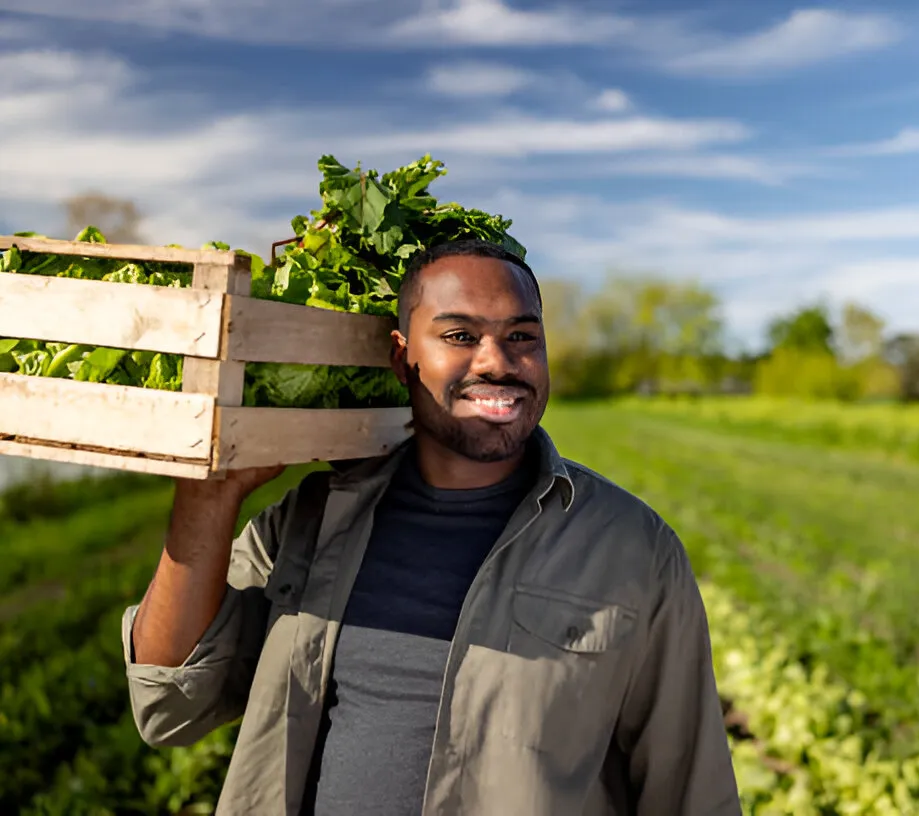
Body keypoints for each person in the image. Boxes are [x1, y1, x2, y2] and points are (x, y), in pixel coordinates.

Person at [122, 239, 741, 815]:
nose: (498, 363)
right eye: (461, 334)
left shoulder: (631, 548)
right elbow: (168, 705)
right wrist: (208, 499)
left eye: (522, 337)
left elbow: (690, 787)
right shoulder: (313, 520)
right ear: (402, 357)